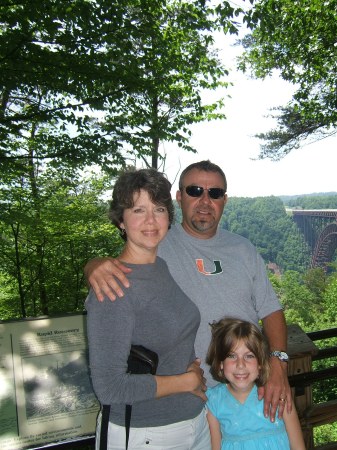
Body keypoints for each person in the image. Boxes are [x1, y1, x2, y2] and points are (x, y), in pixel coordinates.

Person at [85, 160, 292, 422]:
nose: (205, 200)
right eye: (195, 191)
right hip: (190, 396)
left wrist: (278, 364)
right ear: (179, 197)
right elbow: (126, 271)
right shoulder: (156, 240)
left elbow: (271, 310)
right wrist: (93, 266)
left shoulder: (243, 249)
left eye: (214, 193)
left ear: (224, 200)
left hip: (246, 390)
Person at [85, 168, 211, 450]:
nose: (151, 220)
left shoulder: (160, 267)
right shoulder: (113, 287)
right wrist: (185, 381)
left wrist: (192, 375)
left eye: (159, 208)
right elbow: (109, 388)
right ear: (121, 220)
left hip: (192, 422)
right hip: (145, 434)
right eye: (138, 210)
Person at [206, 318, 305, 450]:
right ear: (220, 363)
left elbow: (299, 447)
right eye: (231, 356)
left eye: (249, 356)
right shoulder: (213, 401)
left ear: (260, 363)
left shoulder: (277, 393)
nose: (240, 365)